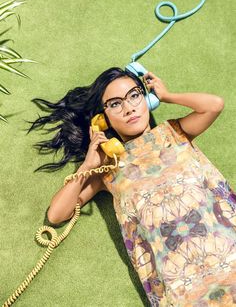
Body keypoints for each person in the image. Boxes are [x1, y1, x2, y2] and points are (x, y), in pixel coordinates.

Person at [28, 67, 236, 306]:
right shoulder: (108, 167)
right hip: (181, 285)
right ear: (102, 119)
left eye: (134, 95)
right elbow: (56, 214)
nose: (129, 108)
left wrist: (166, 95)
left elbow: (214, 105)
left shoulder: (175, 132)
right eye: (115, 104)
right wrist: (87, 165)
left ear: (146, 98)